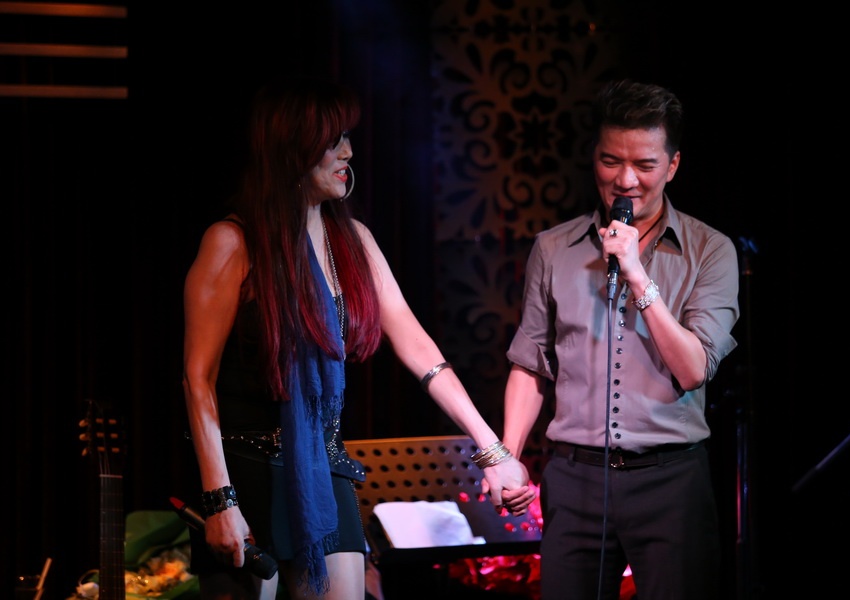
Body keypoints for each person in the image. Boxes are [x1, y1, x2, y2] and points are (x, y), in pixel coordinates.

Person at [181, 75, 535, 600]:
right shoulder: (232, 241)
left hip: (322, 466)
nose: (347, 152)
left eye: (346, 137)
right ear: (290, 150)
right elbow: (198, 380)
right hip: (244, 470)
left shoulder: (353, 240)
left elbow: (420, 350)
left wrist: (493, 451)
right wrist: (218, 500)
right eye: (332, 141)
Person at [495, 79, 740, 600]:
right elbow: (530, 362)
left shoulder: (711, 250)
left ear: (672, 166)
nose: (625, 180)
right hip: (575, 479)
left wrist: (637, 276)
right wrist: (508, 455)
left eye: (645, 165)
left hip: (671, 481)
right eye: (611, 161)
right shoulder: (553, 249)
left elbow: (694, 368)